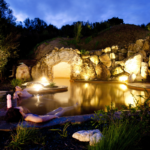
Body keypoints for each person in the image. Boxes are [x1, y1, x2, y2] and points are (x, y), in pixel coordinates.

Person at [5, 103, 78, 123]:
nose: (17, 106)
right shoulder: (27, 117)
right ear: (19, 111)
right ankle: (74, 107)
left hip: (45, 115)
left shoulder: (25, 115)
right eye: (16, 108)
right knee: (62, 110)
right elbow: (40, 120)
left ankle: (73, 106)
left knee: (59, 108)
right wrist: (53, 116)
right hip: (49, 117)